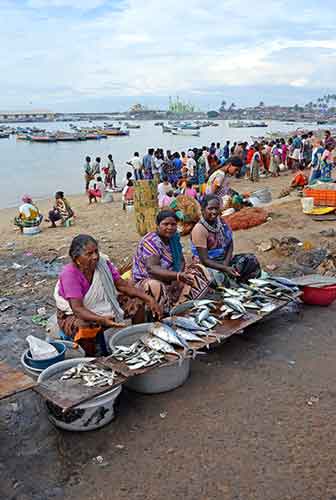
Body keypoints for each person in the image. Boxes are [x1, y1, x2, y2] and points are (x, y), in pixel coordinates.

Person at [55, 234, 162, 355]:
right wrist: (102, 320)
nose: (95, 257)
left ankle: (138, 342)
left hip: (103, 303)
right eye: (89, 254)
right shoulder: (70, 274)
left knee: (137, 303)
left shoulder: (103, 264)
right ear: (77, 258)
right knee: (85, 326)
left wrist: (149, 299)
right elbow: (78, 309)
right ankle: (92, 359)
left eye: (96, 251)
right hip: (74, 313)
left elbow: (122, 285)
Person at [132, 210, 211, 313]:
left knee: (199, 270)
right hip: (148, 281)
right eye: (165, 224)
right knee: (155, 286)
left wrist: (176, 280)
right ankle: (163, 312)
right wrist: (177, 276)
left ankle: (181, 306)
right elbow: (152, 268)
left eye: (173, 224)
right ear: (158, 225)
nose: (169, 227)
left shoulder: (174, 238)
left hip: (172, 278)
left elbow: (181, 261)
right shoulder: (150, 241)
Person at [191, 195, 261, 286]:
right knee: (219, 277)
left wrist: (226, 263)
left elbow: (230, 243)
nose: (214, 212)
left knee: (251, 259)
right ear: (203, 209)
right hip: (208, 266)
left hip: (224, 261)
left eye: (216, 208)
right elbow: (204, 260)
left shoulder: (221, 222)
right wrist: (224, 268)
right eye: (210, 208)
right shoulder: (199, 229)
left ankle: (241, 282)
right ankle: (233, 283)